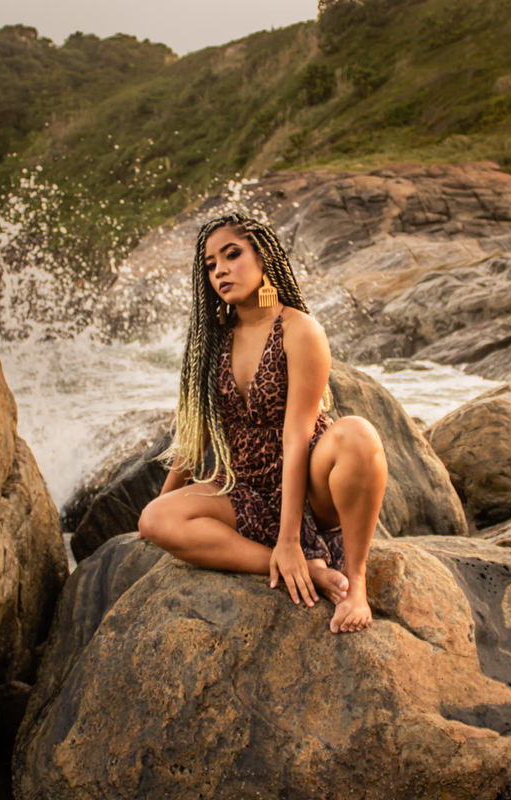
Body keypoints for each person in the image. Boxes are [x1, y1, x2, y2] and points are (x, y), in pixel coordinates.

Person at [137, 213, 387, 634]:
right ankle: (302, 568)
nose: (220, 271)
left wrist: (290, 536)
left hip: (308, 481)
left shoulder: (299, 329)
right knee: (155, 520)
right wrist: (158, 507)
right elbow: (193, 432)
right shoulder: (212, 337)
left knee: (359, 435)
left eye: (232, 255)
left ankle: (355, 584)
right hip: (246, 487)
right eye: (211, 265)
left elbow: (297, 437)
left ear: (263, 256)